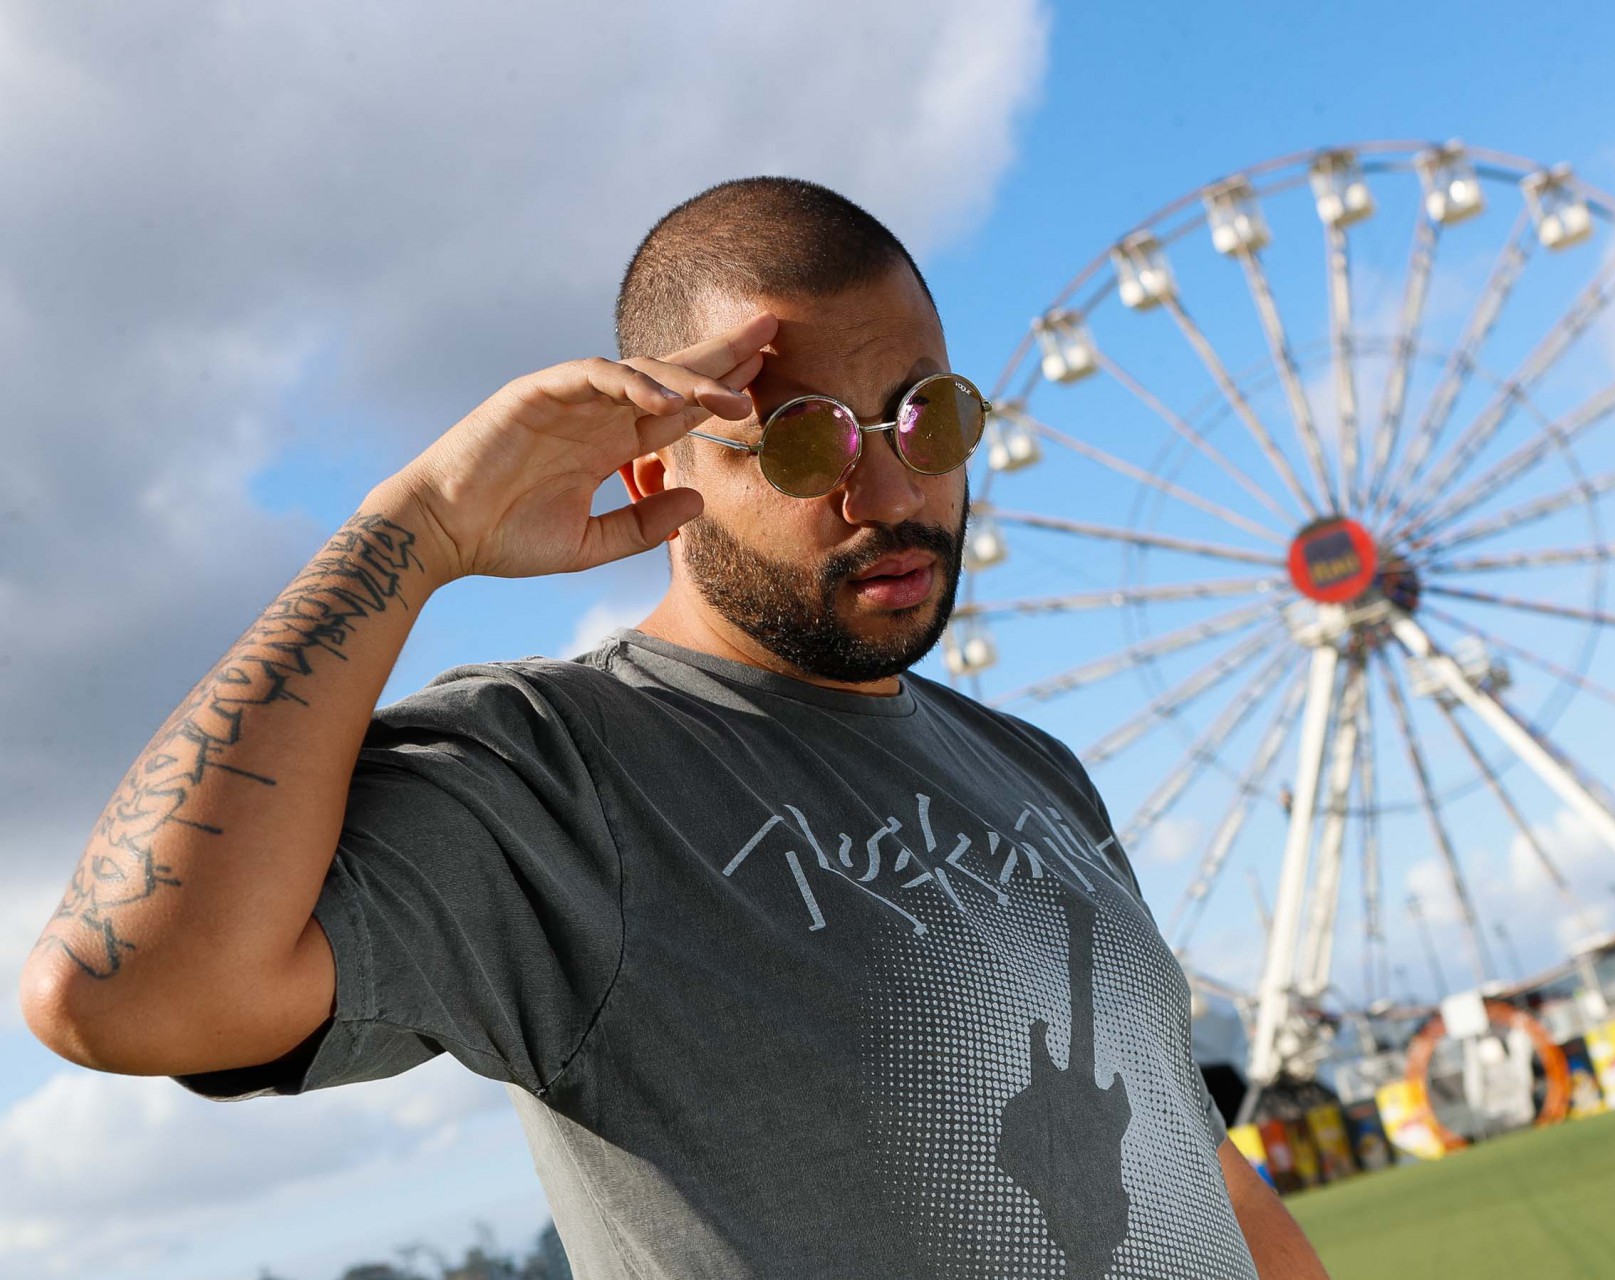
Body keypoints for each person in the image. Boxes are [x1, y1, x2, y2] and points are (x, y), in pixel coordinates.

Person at [22, 178, 1328, 1279]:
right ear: (659, 470)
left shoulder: (1032, 768)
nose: (888, 488)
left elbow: (1182, 1157)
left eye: (928, 414)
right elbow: (120, 991)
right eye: (802, 443)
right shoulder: (556, 773)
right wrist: (413, 530)